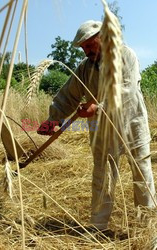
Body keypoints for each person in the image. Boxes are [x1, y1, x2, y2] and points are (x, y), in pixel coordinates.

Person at [37, 20, 156, 231]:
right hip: (102, 131)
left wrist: (98, 107)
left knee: (142, 174)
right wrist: (54, 119)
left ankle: (146, 228)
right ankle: (98, 228)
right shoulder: (85, 68)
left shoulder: (126, 56)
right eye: (83, 48)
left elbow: (126, 92)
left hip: (132, 125)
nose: (86, 52)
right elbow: (68, 95)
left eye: (90, 45)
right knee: (103, 176)